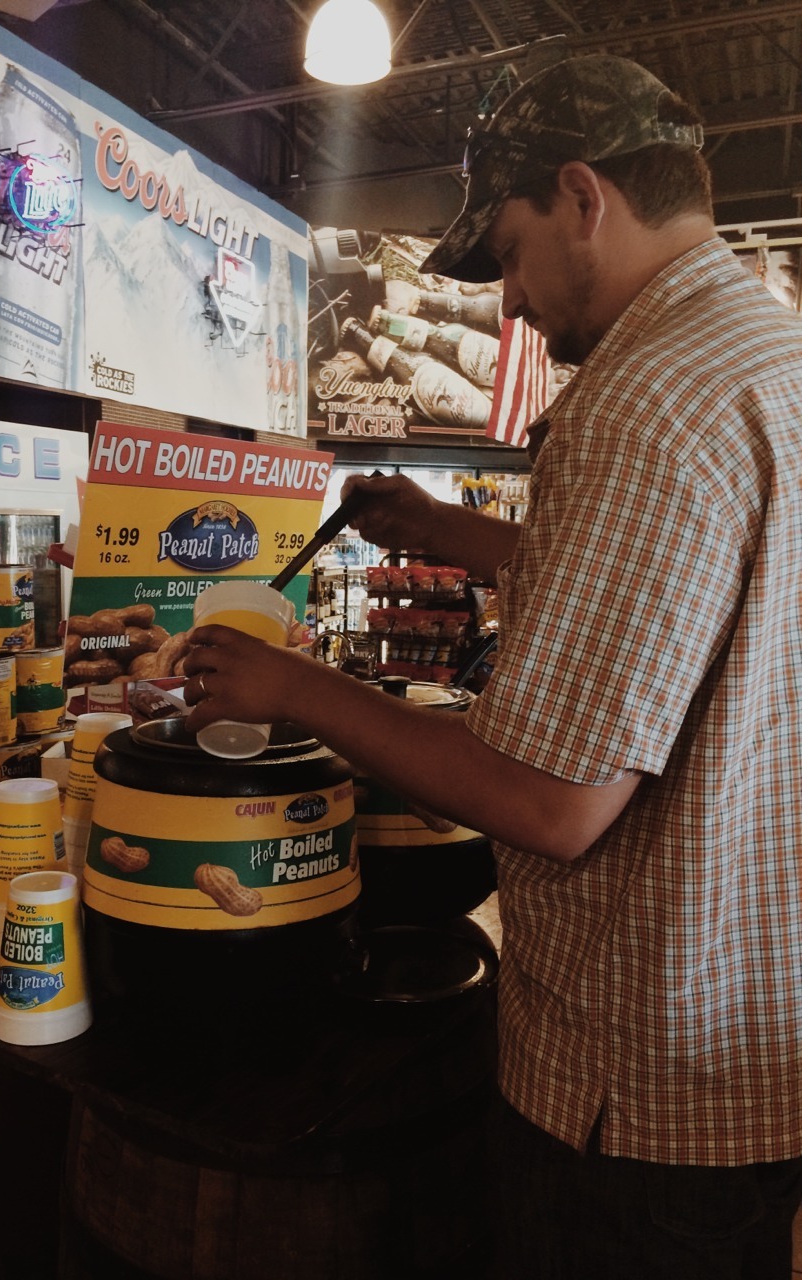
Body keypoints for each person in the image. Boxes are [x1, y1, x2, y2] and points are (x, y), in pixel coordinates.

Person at [183, 53, 802, 1278]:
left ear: (585, 196)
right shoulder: (762, 352)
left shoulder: (638, 405)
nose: (509, 301)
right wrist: (449, 531)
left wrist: (292, 685)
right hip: (748, 1036)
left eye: (510, 251)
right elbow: (702, 599)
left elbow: (550, 803)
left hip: (627, 1096)